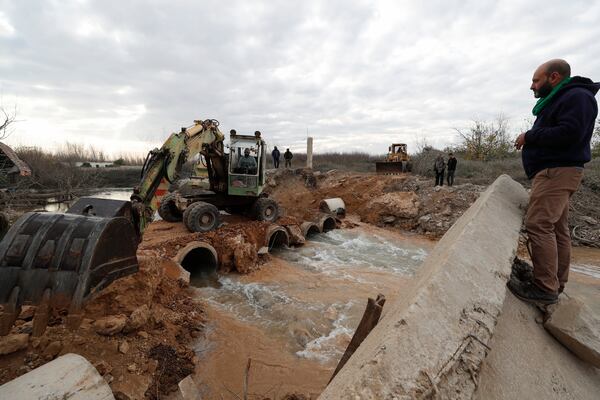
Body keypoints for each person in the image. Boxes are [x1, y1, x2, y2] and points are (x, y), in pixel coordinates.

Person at [509, 59, 598, 305]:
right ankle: (554, 282)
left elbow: (570, 132)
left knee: (539, 225)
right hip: (556, 172)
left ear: (554, 77)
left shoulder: (577, 97)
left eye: (536, 80)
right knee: (557, 228)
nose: (532, 86)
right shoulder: (565, 98)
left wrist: (529, 135)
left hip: (557, 172)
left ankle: (544, 287)